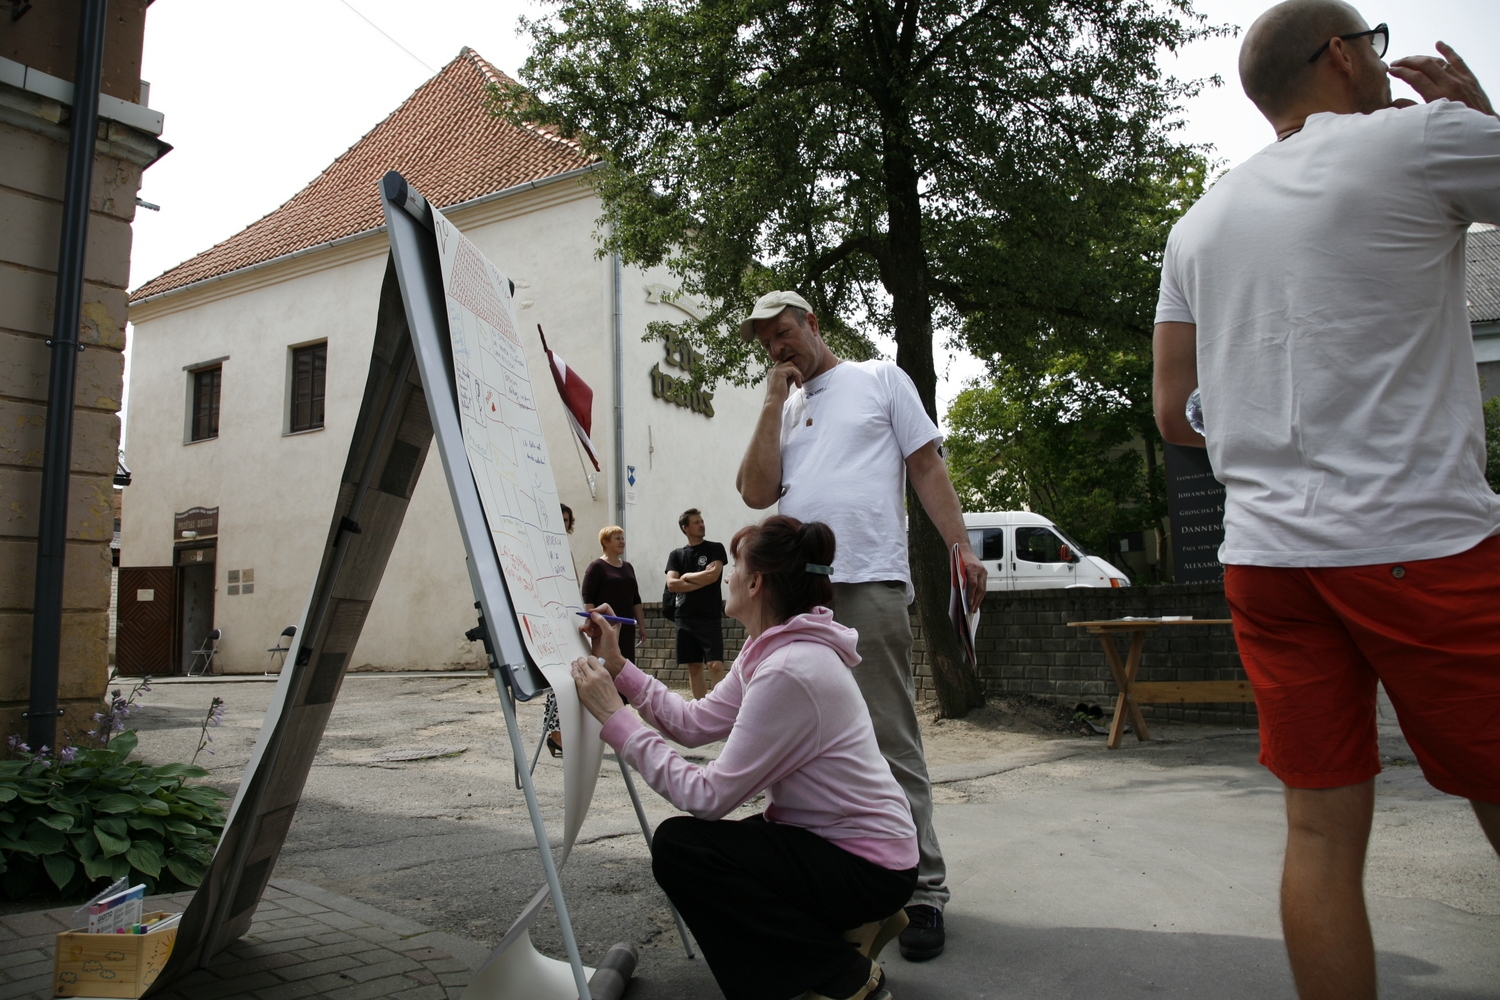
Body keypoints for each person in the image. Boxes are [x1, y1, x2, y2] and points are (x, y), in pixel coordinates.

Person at [1152, 5, 1500, 998]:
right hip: (1419, 538)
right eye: (1377, 48)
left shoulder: (1200, 223)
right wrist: (1477, 112)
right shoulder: (1417, 140)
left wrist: (1268, 422)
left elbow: (1176, 413)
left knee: (1317, 828)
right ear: (1344, 57)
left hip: (1268, 558)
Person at [736, 290, 985, 961]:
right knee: (802, 749)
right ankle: (841, 890)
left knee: (888, 736)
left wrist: (960, 546)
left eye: (785, 334)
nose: (778, 348)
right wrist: (769, 403)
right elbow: (757, 493)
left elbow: (926, 466)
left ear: (813, 324)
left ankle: (922, 891)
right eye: (766, 343)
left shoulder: (879, 377)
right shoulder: (783, 409)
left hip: (869, 580)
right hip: (797, 599)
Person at [572, 516, 918, 1000]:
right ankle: (846, 930)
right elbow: (693, 724)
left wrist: (617, 720)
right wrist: (619, 668)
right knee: (705, 850)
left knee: (684, 850)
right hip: (841, 842)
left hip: (867, 864)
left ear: (756, 583)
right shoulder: (768, 649)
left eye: (735, 565)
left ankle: (839, 974)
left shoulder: (792, 668)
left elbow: (708, 796)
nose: (728, 575)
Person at [666, 508, 728, 699]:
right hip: (684, 618)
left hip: (709, 617)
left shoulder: (715, 548)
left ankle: (723, 708)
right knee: (694, 666)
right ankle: (701, 709)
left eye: (702, 521)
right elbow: (671, 584)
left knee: (715, 665)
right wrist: (698, 581)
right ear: (685, 528)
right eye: (696, 522)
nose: (701, 525)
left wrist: (687, 577)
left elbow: (712, 575)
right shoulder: (676, 555)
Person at [580, 525, 645, 667]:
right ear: (606, 542)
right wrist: (590, 622)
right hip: (606, 627)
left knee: (627, 665)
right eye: (617, 538)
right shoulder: (596, 567)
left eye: (623, 538)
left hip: (626, 626)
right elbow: (588, 598)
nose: (622, 542)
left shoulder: (628, 567)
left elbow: (636, 599)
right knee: (608, 665)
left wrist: (641, 625)